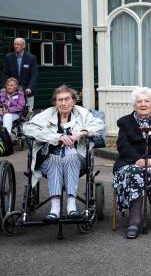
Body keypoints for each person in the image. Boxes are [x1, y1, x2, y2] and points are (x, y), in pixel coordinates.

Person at [23, 85, 104, 221]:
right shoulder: (48, 113)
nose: (63, 103)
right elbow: (28, 128)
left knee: (70, 155)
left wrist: (81, 133)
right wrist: (55, 137)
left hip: (78, 161)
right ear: (55, 102)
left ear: (74, 101)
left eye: (67, 99)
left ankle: (71, 206)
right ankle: (55, 209)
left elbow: (99, 124)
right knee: (55, 159)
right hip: (48, 161)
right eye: (59, 100)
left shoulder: (82, 113)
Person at [112, 87, 151, 239]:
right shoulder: (125, 122)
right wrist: (137, 159)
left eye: (147, 101)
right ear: (134, 104)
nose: (143, 104)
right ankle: (135, 220)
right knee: (135, 172)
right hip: (130, 161)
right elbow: (123, 145)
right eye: (139, 101)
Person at [3, 37, 38, 110]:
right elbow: (5, 73)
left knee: (28, 110)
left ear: (24, 46)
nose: (16, 46)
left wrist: (30, 87)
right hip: (13, 88)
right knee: (13, 108)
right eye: (15, 44)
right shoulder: (8, 57)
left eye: (18, 44)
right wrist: (5, 86)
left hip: (27, 88)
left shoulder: (31, 58)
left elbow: (34, 75)